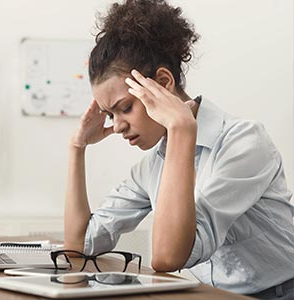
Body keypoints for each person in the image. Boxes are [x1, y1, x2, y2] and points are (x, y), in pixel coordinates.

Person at [64, 0, 294, 298]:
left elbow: (168, 258)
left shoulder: (244, 142)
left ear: (163, 82)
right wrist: (76, 147)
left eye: (125, 108)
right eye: (110, 115)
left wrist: (181, 128)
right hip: (211, 294)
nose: (117, 126)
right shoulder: (151, 167)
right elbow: (78, 244)